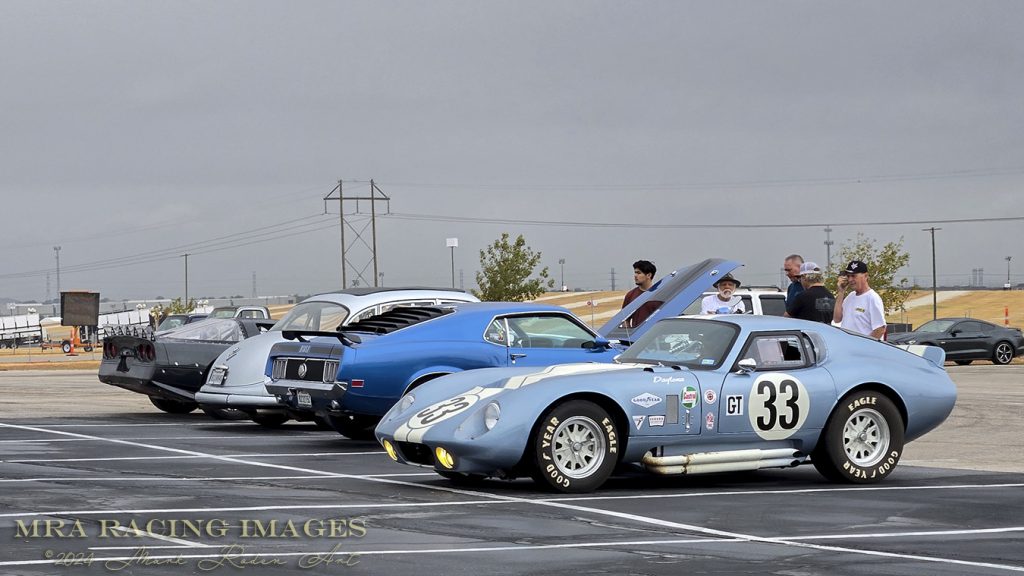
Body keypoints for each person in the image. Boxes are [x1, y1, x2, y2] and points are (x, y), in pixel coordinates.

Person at [833, 259, 886, 339]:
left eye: (854, 276)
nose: (850, 280)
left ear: (865, 276)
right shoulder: (850, 296)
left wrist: (864, 346)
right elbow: (837, 319)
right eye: (848, 276)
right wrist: (841, 293)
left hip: (862, 349)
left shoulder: (872, 298)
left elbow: (880, 329)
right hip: (848, 347)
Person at [621, 260, 659, 328]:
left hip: (655, 336)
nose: (635, 276)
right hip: (636, 337)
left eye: (639, 273)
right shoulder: (630, 295)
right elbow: (625, 319)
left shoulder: (659, 294)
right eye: (635, 273)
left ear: (649, 275)